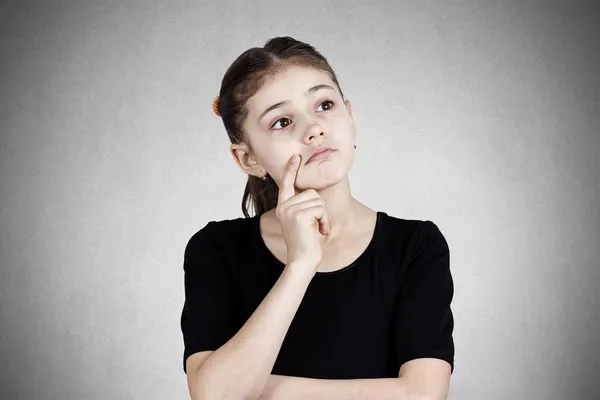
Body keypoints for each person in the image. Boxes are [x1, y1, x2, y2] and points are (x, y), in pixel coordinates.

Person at [180, 36, 454, 400]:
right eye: (281, 122)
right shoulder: (215, 250)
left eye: (324, 104)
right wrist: (300, 265)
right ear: (248, 159)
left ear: (350, 116)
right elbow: (213, 396)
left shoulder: (416, 246)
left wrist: (255, 390)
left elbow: (424, 395)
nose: (313, 129)